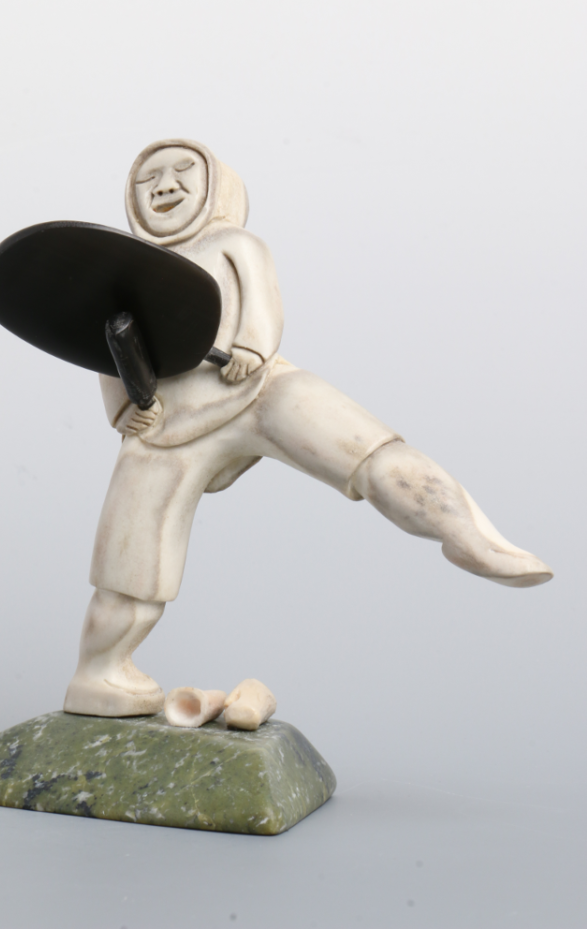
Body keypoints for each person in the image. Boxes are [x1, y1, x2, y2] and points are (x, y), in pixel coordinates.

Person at [64, 139, 553, 717]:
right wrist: (126, 413)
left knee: (368, 452)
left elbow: (259, 307)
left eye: (182, 171)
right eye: (148, 179)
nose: (165, 185)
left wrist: (252, 347)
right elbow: (103, 352)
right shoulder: (124, 277)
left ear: (217, 187)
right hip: (166, 426)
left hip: (255, 387)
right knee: (129, 568)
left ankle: (468, 535)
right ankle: (101, 671)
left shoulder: (234, 244)